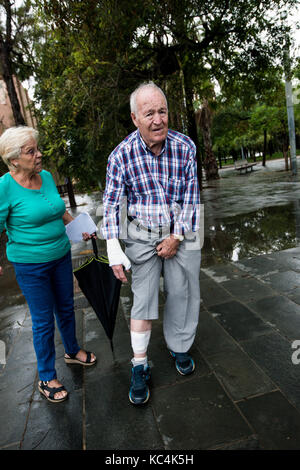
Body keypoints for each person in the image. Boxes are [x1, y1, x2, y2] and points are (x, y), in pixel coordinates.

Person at [102, 82, 201, 405]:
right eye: (149, 114)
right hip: (141, 229)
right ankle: (140, 364)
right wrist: (114, 251)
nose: (158, 120)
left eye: (163, 111)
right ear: (135, 118)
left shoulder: (185, 147)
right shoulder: (120, 155)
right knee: (142, 298)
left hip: (181, 227)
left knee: (182, 291)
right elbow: (112, 205)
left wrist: (176, 236)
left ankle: (180, 346)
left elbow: (191, 198)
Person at [0, 126, 96, 404]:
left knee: (66, 307)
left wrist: (79, 227)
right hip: (31, 265)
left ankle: (72, 351)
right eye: (31, 151)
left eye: (37, 148)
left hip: (60, 255)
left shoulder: (45, 177)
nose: (39, 154)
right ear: (14, 159)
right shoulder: (5, 187)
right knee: (42, 321)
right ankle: (46, 377)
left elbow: (58, 210)